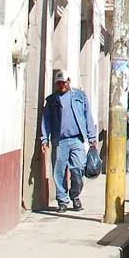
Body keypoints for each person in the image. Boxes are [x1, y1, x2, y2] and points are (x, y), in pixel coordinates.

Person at [38, 70, 96, 212]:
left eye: (63, 83)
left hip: (77, 139)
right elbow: (46, 120)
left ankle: (75, 195)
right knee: (59, 171)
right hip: (60, 140)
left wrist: (92, 137)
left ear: (68, 81)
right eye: (58, 83)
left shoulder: (79, 96)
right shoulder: (52, 100)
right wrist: (44, 139)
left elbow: (88, 116)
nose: (61, 86)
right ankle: (62, 201)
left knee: (78, 169)